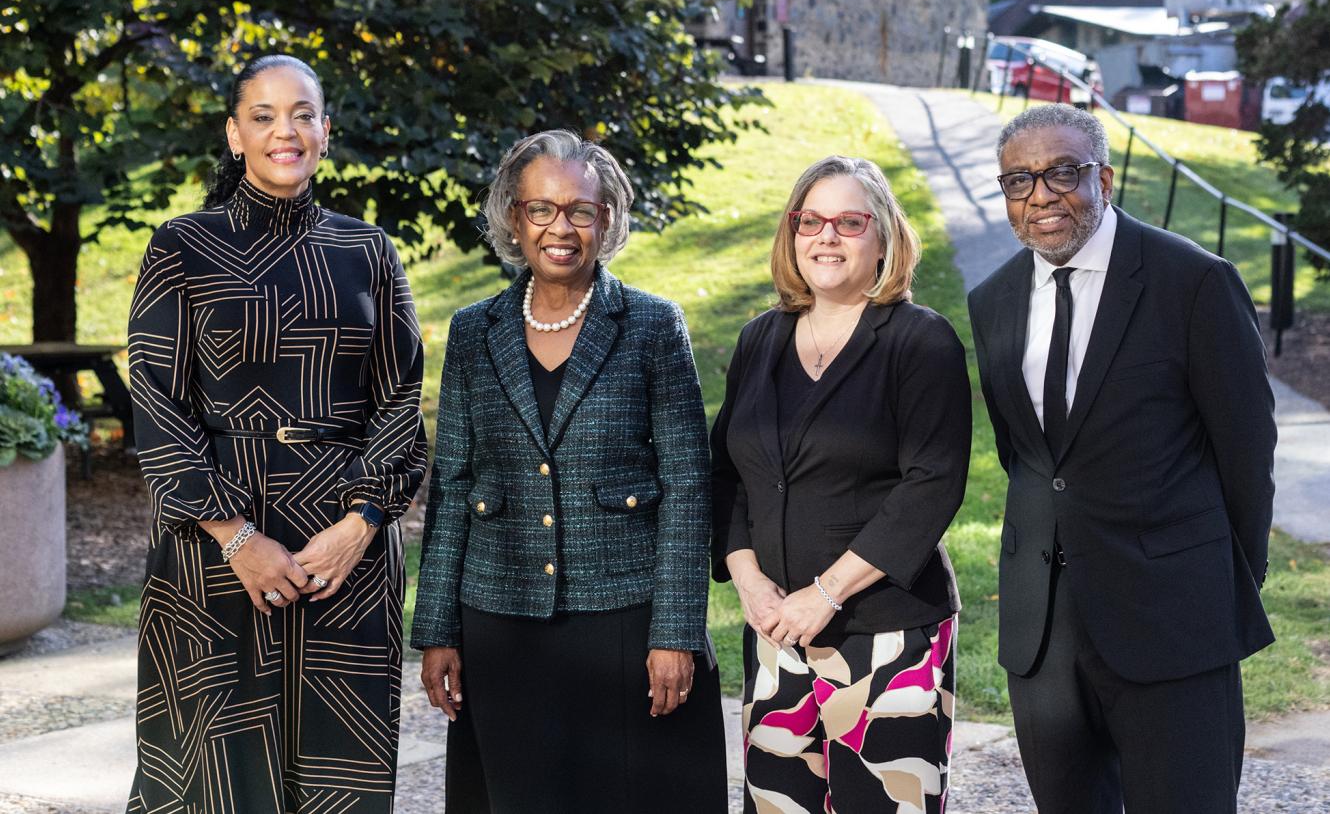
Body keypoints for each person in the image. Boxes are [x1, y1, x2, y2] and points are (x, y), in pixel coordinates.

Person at [125, 54, 428, 813]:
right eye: (262, 117)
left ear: (326, 132)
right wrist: (236, 538)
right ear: (235, 136)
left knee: (338, 776)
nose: (283, 131)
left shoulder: (367, 251)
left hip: (343, 551)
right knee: (213, 775)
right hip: (213, 548)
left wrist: (360, 527)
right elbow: (158, 403)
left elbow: (399, 401)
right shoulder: (181, 246)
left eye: (301, 115)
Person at [967, 103, 1277, 813]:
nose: (1040, 196)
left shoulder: (1194, 282)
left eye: (1062, 173)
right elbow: (1026, 456)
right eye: (1019, 180)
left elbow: (1246, 451)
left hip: (1175, 618)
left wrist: (1224, 582)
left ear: (1103, 179)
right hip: (1042, 632)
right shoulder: (993, 301)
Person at [411, 130, 727, 813]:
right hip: (501, 623)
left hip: (625, 620)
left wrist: (675, 633)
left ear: (605, 219)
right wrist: (436, 630)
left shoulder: (652, 325)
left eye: (580, 210)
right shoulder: (473, 330)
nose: (561, 228)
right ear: (514, 217)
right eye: (541, 209)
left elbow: (687, 486)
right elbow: (453, 485)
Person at [712, 156, 971, 813]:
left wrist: (825, 594)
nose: (826, 236)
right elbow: (727, 476)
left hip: (888, 634)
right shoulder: (758, 340)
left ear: (883, 237)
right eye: (811, 221)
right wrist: (750, 583)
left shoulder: (920, 341)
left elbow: (932, 483)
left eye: (849, 222)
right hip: (775, 633)